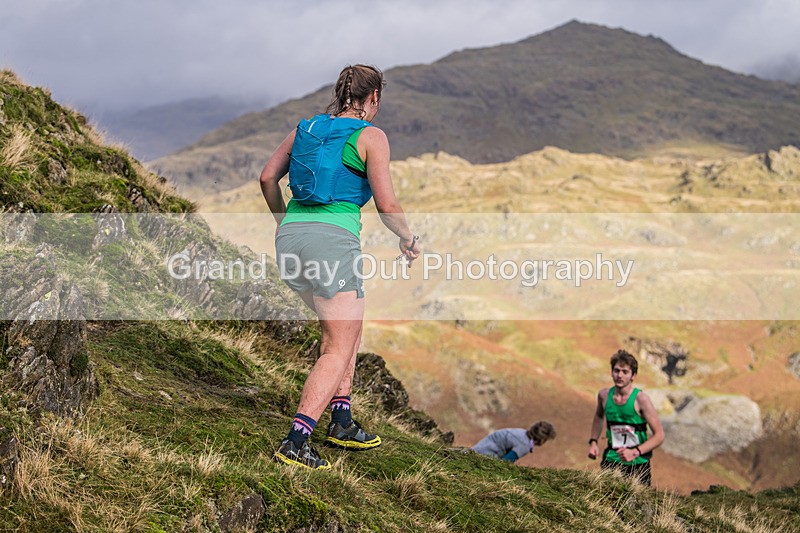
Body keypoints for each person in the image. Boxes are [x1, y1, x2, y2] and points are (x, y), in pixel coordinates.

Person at [259, 64, 420, 470]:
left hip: (291, 238)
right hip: (332, 244)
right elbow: (387, 204)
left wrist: (285, 224)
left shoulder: (306, 128)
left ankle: (342, 418)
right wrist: (407, 237)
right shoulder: (371, 136)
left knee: (347, 326)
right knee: (337, 345)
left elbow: (266, 178)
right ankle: (297, 439)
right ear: (374, 99)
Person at [587, 350, 665, 486]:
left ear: (633, 375)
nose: (619, 375)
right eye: (616, 371)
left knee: (639, 506)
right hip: (611, 458)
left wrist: (635, 452)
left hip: (638, 463)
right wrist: (594, 442)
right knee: (605, 502)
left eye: (624, 372)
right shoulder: (604, 396)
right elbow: (599, 417)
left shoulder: (641, 399)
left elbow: (659, 435)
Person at [472, 421, 556, 463]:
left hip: (477, 449)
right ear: (541, 439)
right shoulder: (524, 445)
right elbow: (505, 463)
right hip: (484, 457)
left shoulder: (521, 432)